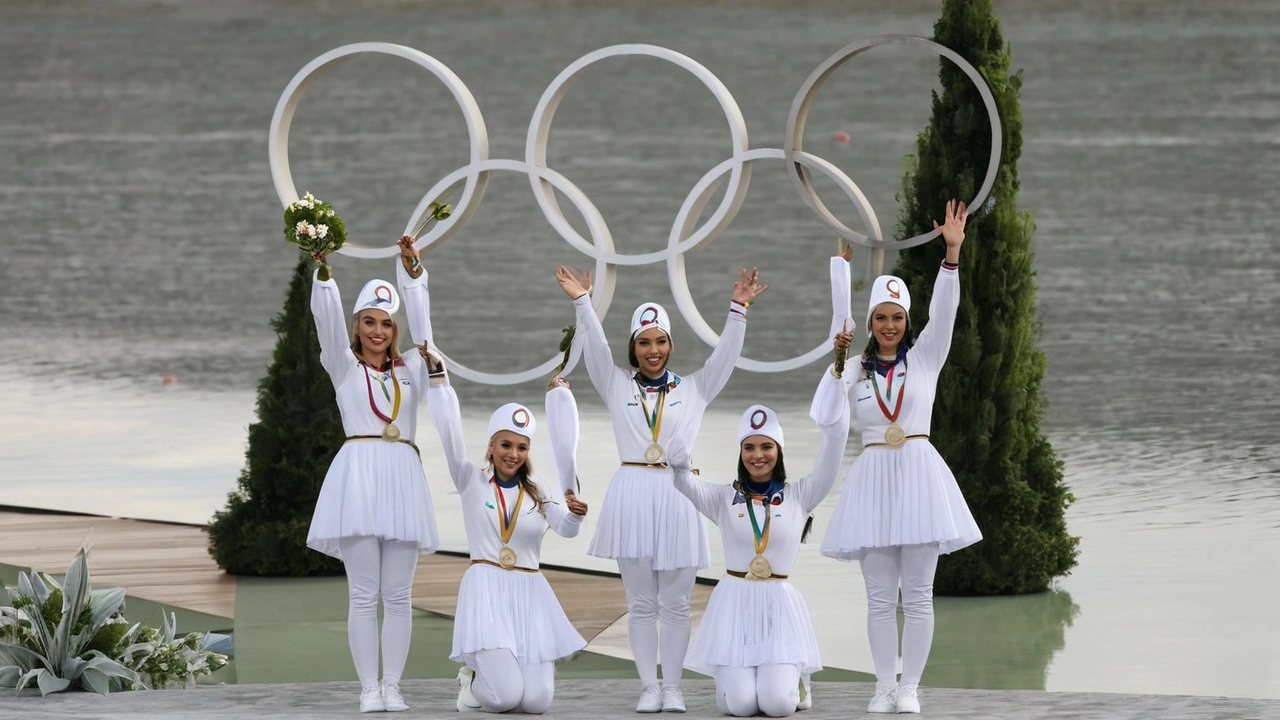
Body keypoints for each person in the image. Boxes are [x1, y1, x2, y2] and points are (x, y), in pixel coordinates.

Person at [554, 265, 767, 713]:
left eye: (661, 340)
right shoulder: (615, 385)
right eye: (644, 342)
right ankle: (648, 685)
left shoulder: (694, 389)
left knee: (676, 602)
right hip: (631, 493)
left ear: (670, 344)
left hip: (678, 493)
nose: (653, 350)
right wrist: (582, 303)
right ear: (633, 347)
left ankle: (673, 687)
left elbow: (724, 358)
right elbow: (593, 348)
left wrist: (738, 310)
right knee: (640, 602)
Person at [820, 199, 982, 714]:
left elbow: (946, 312)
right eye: (880, 318)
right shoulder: (854, 368)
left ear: (906, 321)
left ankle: (910, 685)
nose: (889, 326)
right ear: (869, 321)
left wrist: (951, 255)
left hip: (917, 473)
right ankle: (883, 685)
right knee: (877, 598)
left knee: (917, 595)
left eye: (896, 318)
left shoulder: (926, 357)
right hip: (871, 478)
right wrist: (836, 359)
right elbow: (823, 414)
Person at [667, 345, 852, 717]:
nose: (758, 455)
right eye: (749, 448)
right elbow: (681, 477)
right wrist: (684, 423)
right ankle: (736, 680)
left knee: (777, 705)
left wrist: (837, 377)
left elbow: (832, 451)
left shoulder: (801, 494)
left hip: (778, 610)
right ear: (740, 454)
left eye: (766, 446)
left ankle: (796, 680)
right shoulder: (722, 498)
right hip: (734, 607)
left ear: (778, 451)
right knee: (740, 706)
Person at [305, 243, 440, 714]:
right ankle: (368, 687)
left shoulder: (412, 369)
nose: (378, 331)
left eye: (385, 323)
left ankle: (394, 685)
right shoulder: (342, 364)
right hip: (359, 478)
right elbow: (325, 322)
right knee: (364, 593)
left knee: (399, 595)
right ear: (357, 326)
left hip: (403, 477)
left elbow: (426, 332)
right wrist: (322, 271)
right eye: (369, 322)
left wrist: (414, 273)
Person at [424, 357, 589, 714]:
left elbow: (565, 528)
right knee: (504, 698)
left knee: (536, 703)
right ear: (491, 445)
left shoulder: (540, 489)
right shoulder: (470, 479)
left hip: (530, 595)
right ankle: (471, 680)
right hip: (486, 590)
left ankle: (499, 675)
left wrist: (575, 514)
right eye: (505, 445)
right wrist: (439, 382)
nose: (513, 454)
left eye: (521, 447)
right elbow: (450, 433)